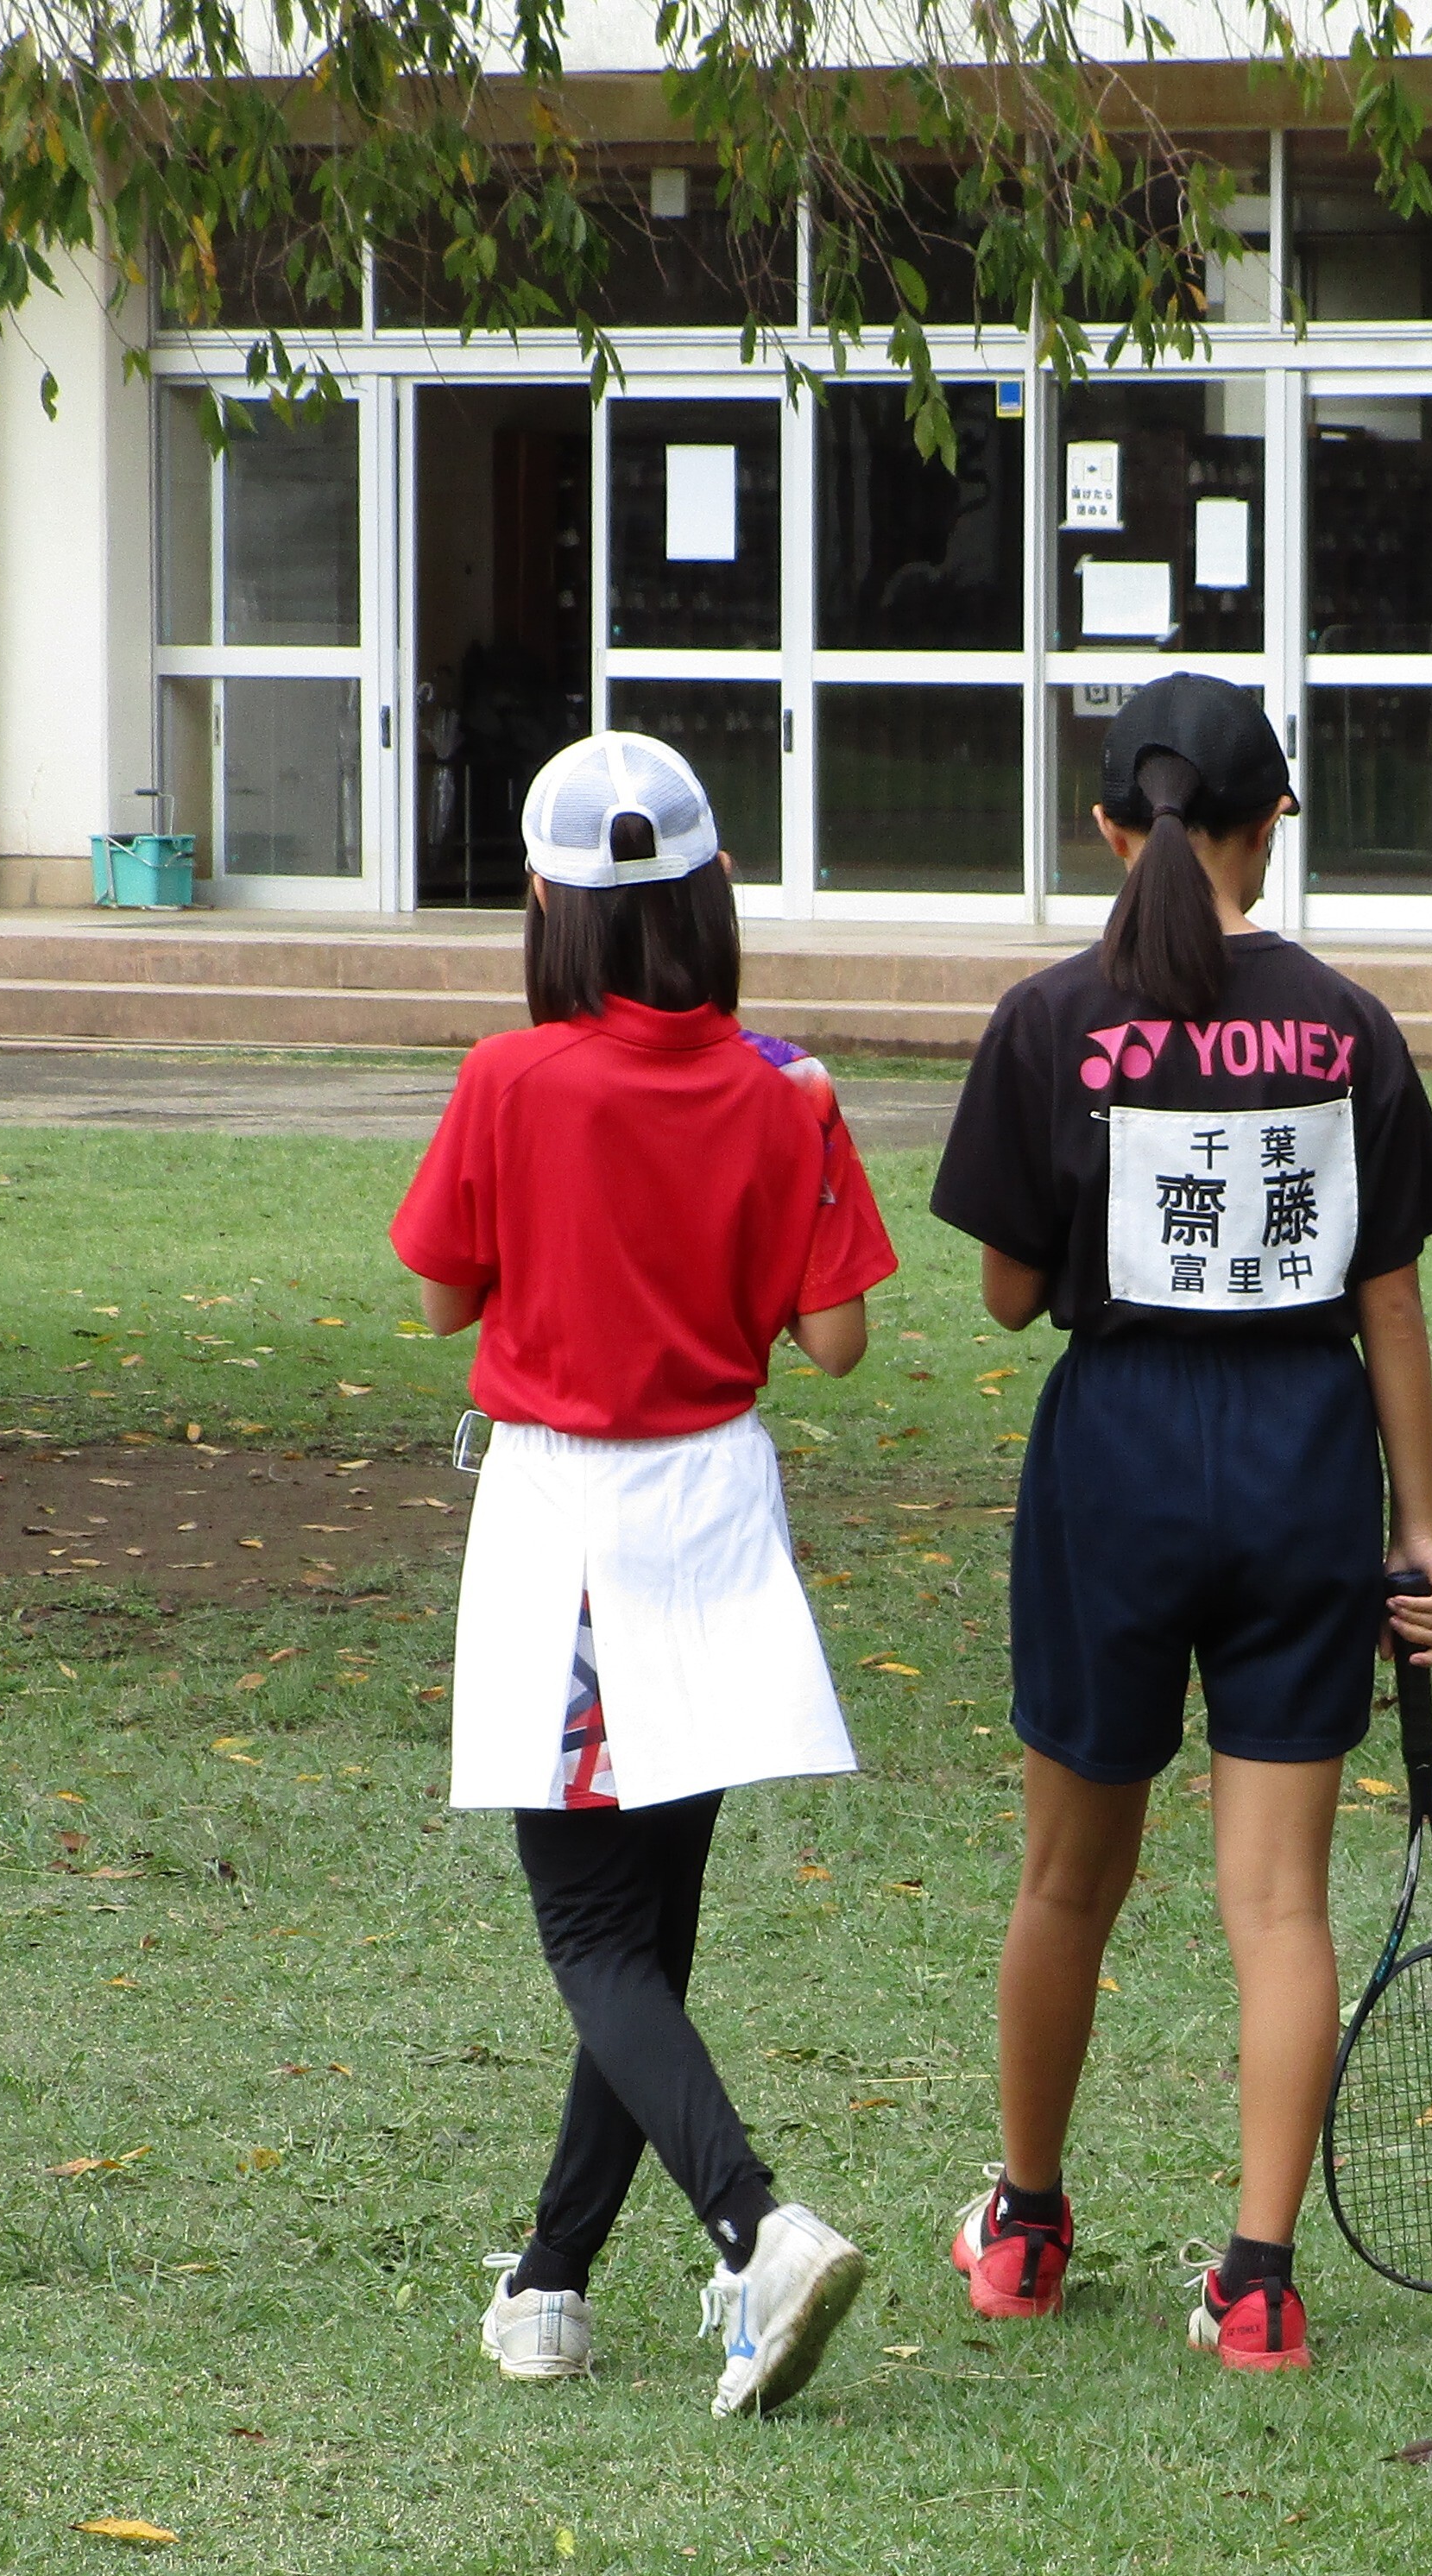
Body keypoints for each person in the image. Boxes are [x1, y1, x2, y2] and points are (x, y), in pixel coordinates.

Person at [928, 672, 1432, 2371]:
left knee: (1066, 1880)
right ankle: (1258, 2282)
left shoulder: (1048, 1017)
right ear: (1273, 822)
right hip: (1305, 1461)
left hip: (1117, 1462)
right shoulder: (1348, 1026)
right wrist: (1421, 1523)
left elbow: (1009, 1293)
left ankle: (1025, 2227)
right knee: (1279, 1904)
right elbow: (1391, 1299)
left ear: (1109, 827)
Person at [391, 730, 898, 2415]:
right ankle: (550, 2280)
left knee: (594, 1935)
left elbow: (441, 1297)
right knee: (646, 1936)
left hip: (571, 1533)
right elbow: (837, 1339)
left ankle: (758, 2225)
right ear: (716, 891)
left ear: (544, 906)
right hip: (717, 1517)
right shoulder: (784, 1087)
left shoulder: (510, 1078)